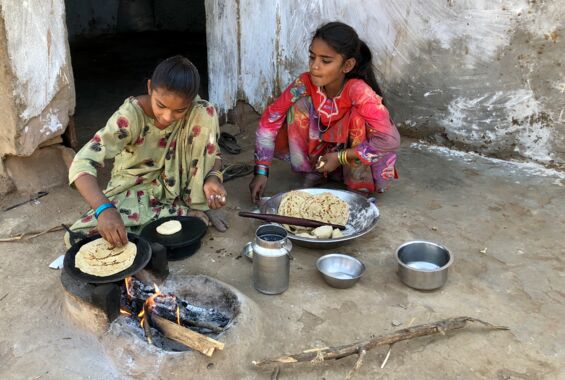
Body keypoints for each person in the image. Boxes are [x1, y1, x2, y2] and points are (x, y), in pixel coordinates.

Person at [66, 55, 228, 248]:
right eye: (161, 105)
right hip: (134, 189)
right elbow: (82, 162)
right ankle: (182, 214)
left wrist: (213, 178)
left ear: (190, 101)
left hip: (177, 189)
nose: (168, 116)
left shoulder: (196, 111)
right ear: (150, 87)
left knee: (206, 111)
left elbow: (213, 154)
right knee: (79, 237)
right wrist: (104, 209)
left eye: (179, 110)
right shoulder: (130, 117)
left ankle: (193, 205)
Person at [249, 21, 400, 203]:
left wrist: (341, 156)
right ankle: (313, 172)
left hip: (349, 158)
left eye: (325, 61)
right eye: (312, 57)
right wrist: (261, 171)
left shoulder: (358, 91)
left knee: (359, 119)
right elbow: (270, 120)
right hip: (323, 158)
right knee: (298, 107)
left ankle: (358, 184)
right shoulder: (304, 84)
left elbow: (390, 140)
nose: (314, 66)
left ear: (347, 65)